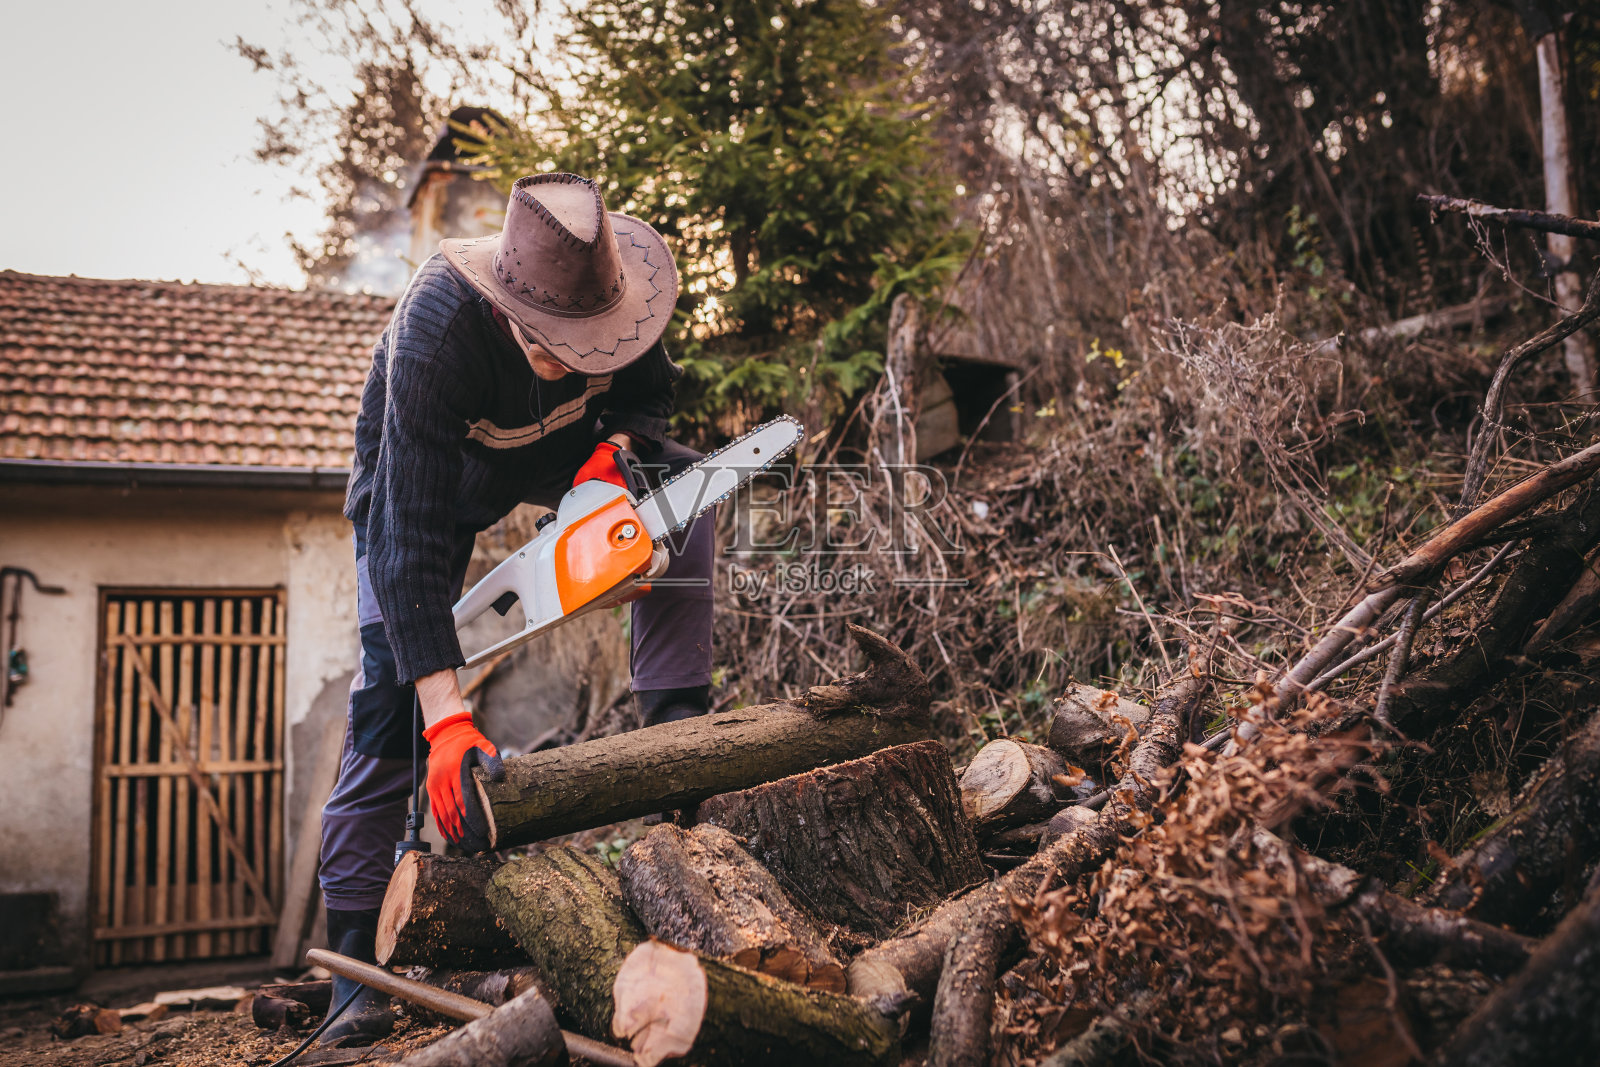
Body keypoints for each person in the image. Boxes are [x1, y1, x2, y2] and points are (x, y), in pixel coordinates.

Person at [316, 173, 713, 1043]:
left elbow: (650, 395)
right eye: (554, 342)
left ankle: (682, 737)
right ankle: (352, 953)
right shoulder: (435, 333)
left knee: (688, 488)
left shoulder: (617, 288)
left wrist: (612, 458)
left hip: (562, 452)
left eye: (589, 342)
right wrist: (447, 717)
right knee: (390, 687)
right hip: (426, 488)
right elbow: (408, 541)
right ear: (504, 305)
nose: (574, 354)